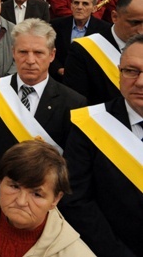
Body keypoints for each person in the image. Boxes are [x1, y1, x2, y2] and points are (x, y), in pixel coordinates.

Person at [0, 18, 86, 201]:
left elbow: (73, 165)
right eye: (23, 52)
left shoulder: (73, 102)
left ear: (52, 55)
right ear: (13, 52)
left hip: (46, 206)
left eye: (38, 53)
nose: (30, 60)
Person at [60, 33, 143, 257]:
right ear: (119, 72)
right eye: (131, 70)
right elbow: (75, 200)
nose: (140, 82)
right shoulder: (90, 124)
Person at [64, 0, 143, 105]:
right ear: (114, 17)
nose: (141, 31)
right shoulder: (84, 49)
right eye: (135, 23)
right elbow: (77, 102)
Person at [49, 0, 111, 81]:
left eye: (85, 4)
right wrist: (58, 69)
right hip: (59, 80)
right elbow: (47, 50)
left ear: (94, 8)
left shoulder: (104, 29)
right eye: (76, 3)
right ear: (71, 6)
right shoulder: (55, 25)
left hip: (90, 82)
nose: (79, 7)